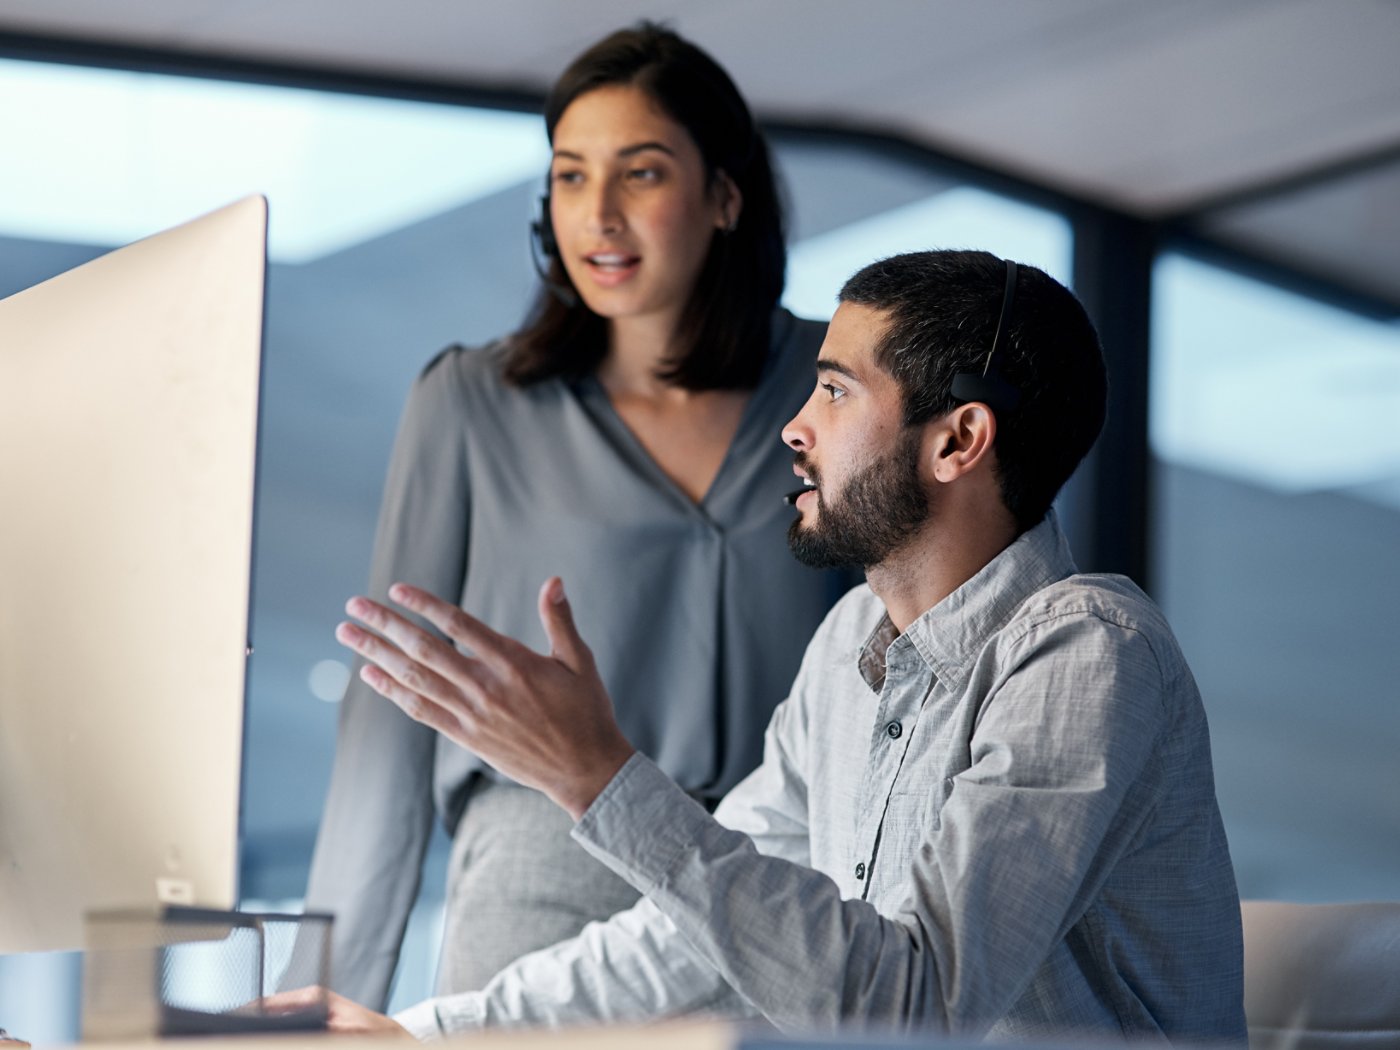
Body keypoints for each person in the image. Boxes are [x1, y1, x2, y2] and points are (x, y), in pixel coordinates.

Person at [304, 249, 1247, 1043]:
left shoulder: (1089, 654)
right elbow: (684, 942)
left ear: (959, 439)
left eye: (837, 391)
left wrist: (599, 777)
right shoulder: (848, 649)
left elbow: (918, 1009)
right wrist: (428, 1032)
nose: (795, 428)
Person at [301, 23, 854, 1006]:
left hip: (769, 877)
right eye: (568, 176)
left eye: (640, 174)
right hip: (537, 867)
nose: (596, 213)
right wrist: (327, 990)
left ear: (725, 197)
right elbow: (389, 718)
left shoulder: (838, 389)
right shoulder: (472, 402)